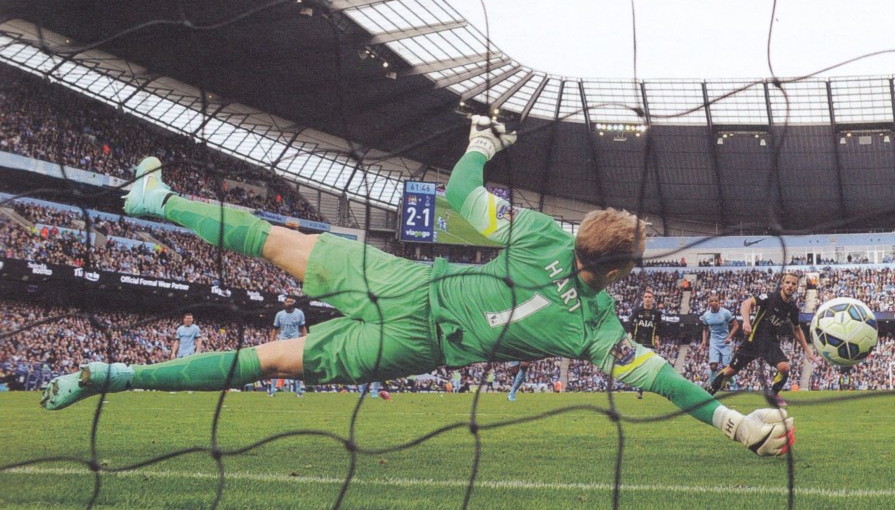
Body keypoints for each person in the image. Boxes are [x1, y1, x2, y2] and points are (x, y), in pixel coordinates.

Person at [40, 116, 794, 457]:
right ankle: (114, 374)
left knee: (276, 239)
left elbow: (461, 193)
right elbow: (667, 383)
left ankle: (158, 203)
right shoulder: (597, 332)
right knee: (268, 361)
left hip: (399, 279)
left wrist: (481, 142)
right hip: (411, 342)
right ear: (620, 272)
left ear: (582, 232)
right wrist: (733, 422)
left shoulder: (536, 233)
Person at [705, 273, 818, 408]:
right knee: (730, 371)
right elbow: (746, 303)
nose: (790, 286)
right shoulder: (770, 298)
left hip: (770, 343)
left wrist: (807, 350)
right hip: (753, 340)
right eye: (787, 282)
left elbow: (797, 329)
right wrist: (746, 322)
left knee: (785, 367)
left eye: (793, 284)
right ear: (782, 284)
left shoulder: (793, 308)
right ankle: (708, 395)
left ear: (797, 287)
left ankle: (774, 394)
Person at [268, 297, 308, 397]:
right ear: (284, 302)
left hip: (295, 342)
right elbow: (275, 329)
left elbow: (302, 328)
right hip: (282, 342)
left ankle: (298, 391)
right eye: (287, 301)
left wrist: (306, 340)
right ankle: (272, 390)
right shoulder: (279, 314)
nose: (289, 303)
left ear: (294, 303)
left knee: (297, 366)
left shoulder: (299, 313)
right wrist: (271, 342)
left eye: (291, 302)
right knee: (277, 366)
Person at [627, 289, 663, 399]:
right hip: (638, 343)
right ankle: (640, 389)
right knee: (639, 366)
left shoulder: (657, 313)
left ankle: (642, 389)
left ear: (652, 299)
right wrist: (629, 334)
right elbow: (630, 324)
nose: (647, 299)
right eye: (645, 297)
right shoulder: (637, 311)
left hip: (650, 343)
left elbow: (659, 328)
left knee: (647, 366)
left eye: (649, 297)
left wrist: (657, 339)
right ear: (643, 299)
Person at [697, 294, 738, 385]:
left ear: (719, 302)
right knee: (713, 366)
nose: (714, 302)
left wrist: (729, 337)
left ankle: (731, 381)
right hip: (714, 341)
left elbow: (736, 325)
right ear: (709, 303)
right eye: (712, 301)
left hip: (725, 342)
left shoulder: (725, 313)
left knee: (726, 366)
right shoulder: (706, 315)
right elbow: (705, 329)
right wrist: (704, 341)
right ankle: (712, 384)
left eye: (716, 300)